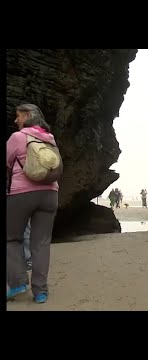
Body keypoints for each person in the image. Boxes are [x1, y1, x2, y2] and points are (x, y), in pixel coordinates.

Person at [7, 104, 60, 303]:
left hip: (21, 194)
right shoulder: (50, 139)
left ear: (27, 116)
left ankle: (18, 282)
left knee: (11, 238)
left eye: (18, 116)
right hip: (49, 194)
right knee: (41, 243)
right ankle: (40, 291)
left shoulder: (17, 137)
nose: (15, 120)